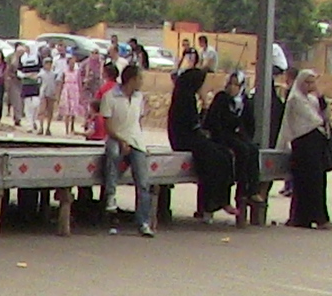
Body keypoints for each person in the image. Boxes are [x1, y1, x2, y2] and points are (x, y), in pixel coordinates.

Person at [167, 66, 233, 222]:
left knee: (224, 153)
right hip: (183, 139)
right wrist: (204, 104)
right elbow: (192, 124)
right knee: (213, 155)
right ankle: (211, 202)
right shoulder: (184, 98)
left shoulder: (188, 95)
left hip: (191, 136)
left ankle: (223, 199)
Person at [99, 62, 155, 237]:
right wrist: (121, 140)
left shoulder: (139, 98)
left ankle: (143, 222)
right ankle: (111, 196)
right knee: (113, 154)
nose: (142, 82)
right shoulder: (110, 97)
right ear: (131, 79)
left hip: (135, 140)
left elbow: (137, 121)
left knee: (143, 182)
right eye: (140, 78)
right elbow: (108, 126)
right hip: (116, 137)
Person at [277, 68, 332, 230]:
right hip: (303, 146)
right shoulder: (295, 99)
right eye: (307, 82)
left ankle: (317, 217)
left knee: (317, 182)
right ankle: (305, 218)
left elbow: (326, 116)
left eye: (312, 82)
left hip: (315, 146)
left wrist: (321, 97)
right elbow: (314, 120)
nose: (310, 85)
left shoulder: (312, 99)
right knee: (305, 182)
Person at [204, 71, 260, 218]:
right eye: (231, 83)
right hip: (222, 135)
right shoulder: (221, 98)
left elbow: (249, 124)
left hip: (237, 135)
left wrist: (245, 135)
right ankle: (238, 191)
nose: (232, 87)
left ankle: (251, 190)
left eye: (236, 84)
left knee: (253, 149)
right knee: (242, 151)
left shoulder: (244, 102)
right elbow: (214, 122)